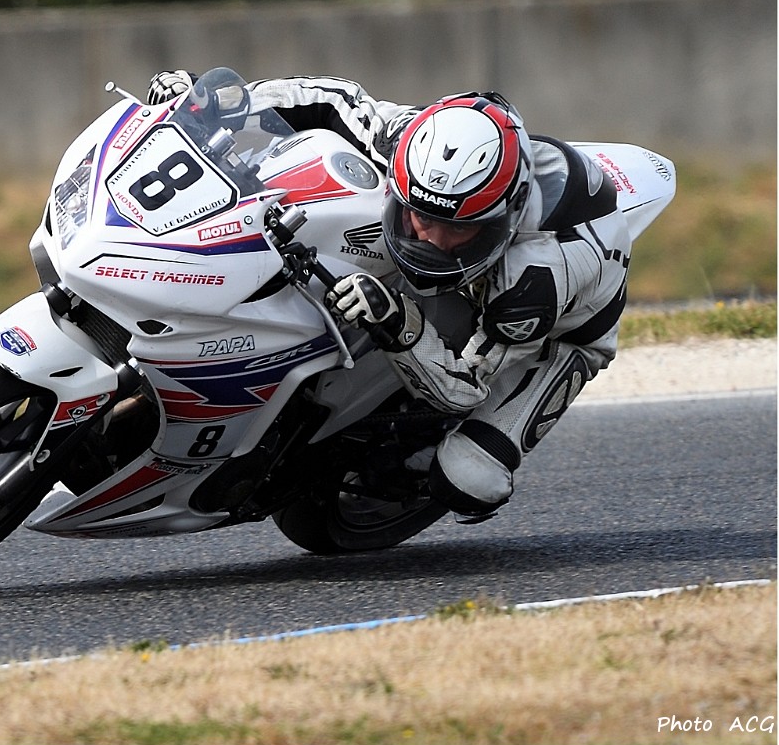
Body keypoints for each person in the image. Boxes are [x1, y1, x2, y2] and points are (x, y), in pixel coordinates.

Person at [148, 70, 633, 523]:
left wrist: (397, 321)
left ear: (503, 219)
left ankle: (412, 455)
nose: (431, 241)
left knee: (469, 478)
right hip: (485, 265)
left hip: (557, 337)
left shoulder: (531, 283)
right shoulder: (413, 143)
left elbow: (464, 388)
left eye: (457, 229)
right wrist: (218, 103)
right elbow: (334, 100)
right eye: (420, 216)